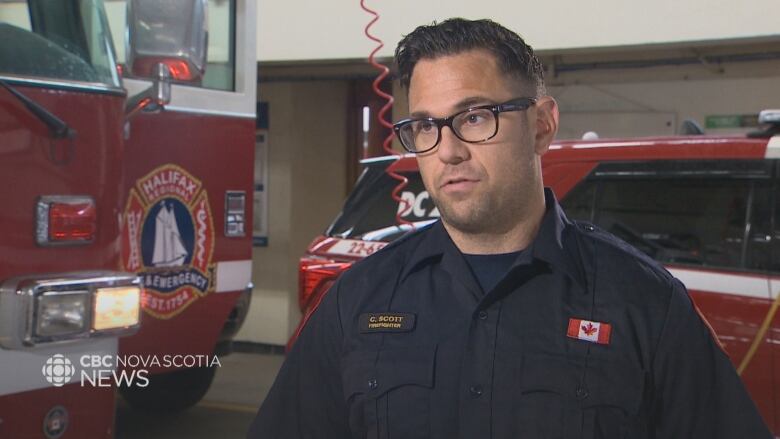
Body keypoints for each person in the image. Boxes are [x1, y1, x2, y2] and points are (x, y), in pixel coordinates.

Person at [247, 18, 771, 438]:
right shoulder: (357, 299)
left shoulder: (644, 303)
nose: (447, 150)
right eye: (425, 125)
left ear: (541, 125)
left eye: (475, 117)